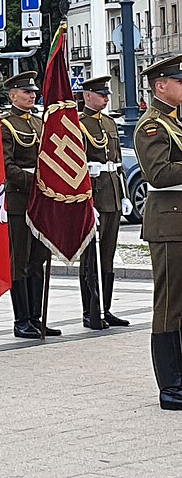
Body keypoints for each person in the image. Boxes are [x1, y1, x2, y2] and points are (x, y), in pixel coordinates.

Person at [133, 55, 182, 410]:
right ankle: (169, 385)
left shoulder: (175, 123)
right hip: (168, 222)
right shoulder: (152, 126)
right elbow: (159, 174)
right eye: (179, 81)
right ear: (160, 85)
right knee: (169, 303)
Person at [1, 71, 62, 338]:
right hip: (19, 200)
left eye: (33, 92)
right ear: (13, 95)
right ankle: (21, 319)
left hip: (41, 202)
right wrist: (35, 180)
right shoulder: (6, 125)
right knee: (20, 260)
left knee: (39, 259)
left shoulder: (40, 124)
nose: (32, 95)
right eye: (26, 92)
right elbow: (6, 166)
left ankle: (36, 316)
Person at [78, 76, 132, 329]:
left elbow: (118, 163)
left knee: (107, 255)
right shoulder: (78, 124)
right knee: (91, 257)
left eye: (106, 95)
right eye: (101, 94)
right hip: (94, 195)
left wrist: (124, 195)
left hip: (111, 194)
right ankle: (91, 310)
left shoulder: (109, 123)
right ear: (87, 95)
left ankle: (106, 308)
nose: (106, 98)